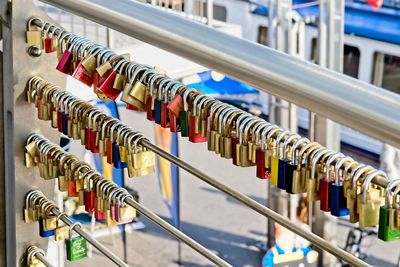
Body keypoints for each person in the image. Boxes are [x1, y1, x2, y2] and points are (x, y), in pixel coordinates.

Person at [261, 196, 317, 267]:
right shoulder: (274, 252)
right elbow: (267, 263)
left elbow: (307, 252)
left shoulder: (297, 249)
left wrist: (310, 254)